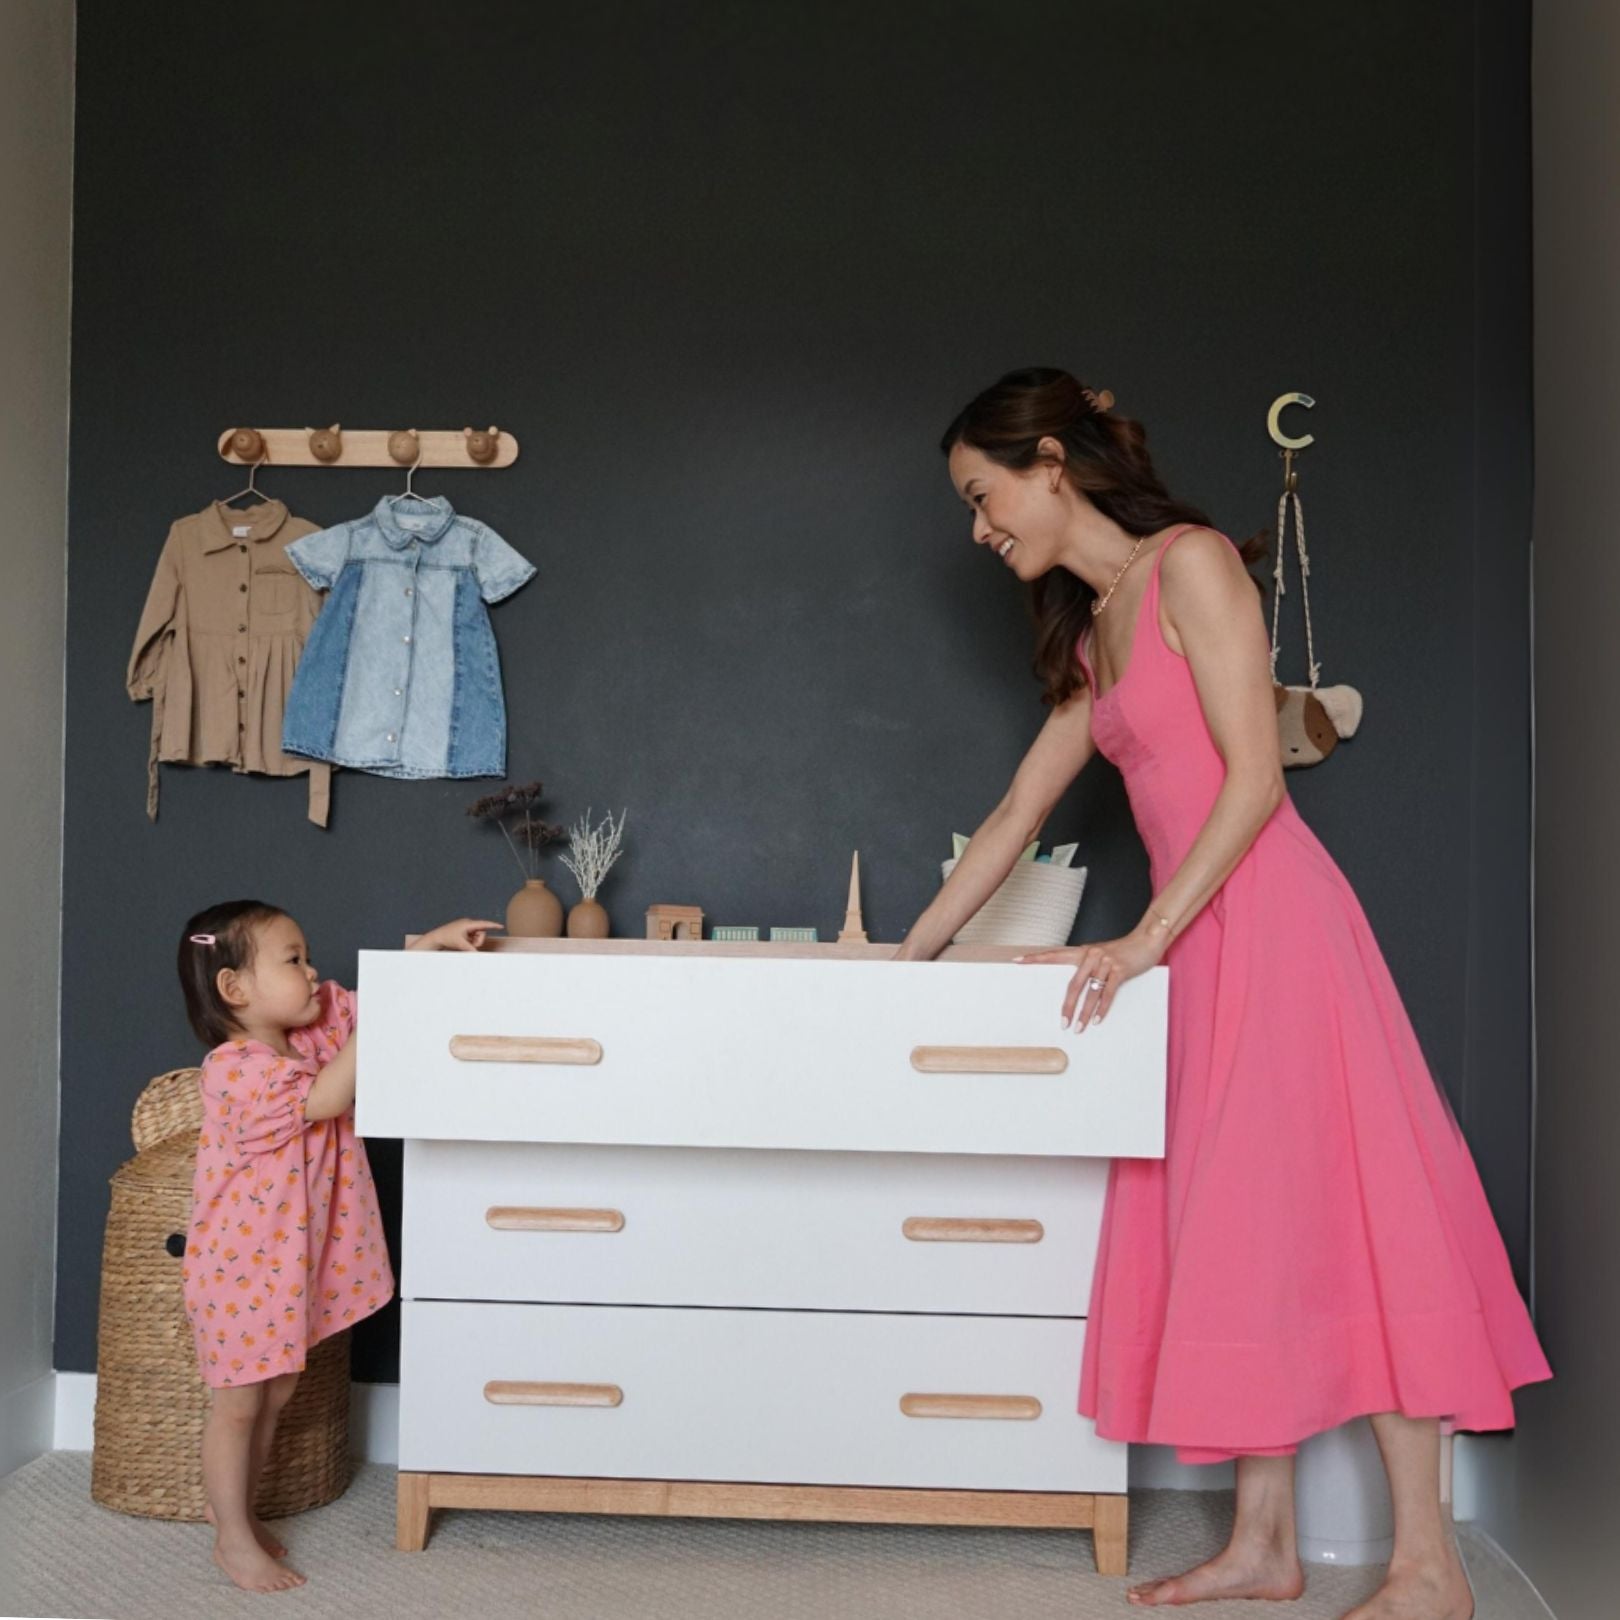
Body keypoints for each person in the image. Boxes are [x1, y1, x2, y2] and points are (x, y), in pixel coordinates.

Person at [894, 368, 1550, 1620]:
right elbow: (1017, 812)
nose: (979, 530)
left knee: (1360, 1216)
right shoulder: (1095, 630)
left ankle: (1429, 1568)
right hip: (1195, 946)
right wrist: (902, 967)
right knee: (1248, 1227)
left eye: (983, 496)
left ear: (1049, 464)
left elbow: (1256, 781)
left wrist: (1144, 938)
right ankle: (1264, 1545)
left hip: (1276, 928)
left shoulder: (1191, 565)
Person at [175, 901, 499, 1592]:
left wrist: (430, 945)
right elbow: (324, 1099)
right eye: (292, 960)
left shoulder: (312, 1034)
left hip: (284, 1269)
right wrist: (375, 1027)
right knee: (238, 1405)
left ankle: (237, 1512)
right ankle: (230, 1536)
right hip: (239, 1274)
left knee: (277, 1392)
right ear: (235, 988)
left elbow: (372, 1002)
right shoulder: (234, 1069)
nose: (312, 971)